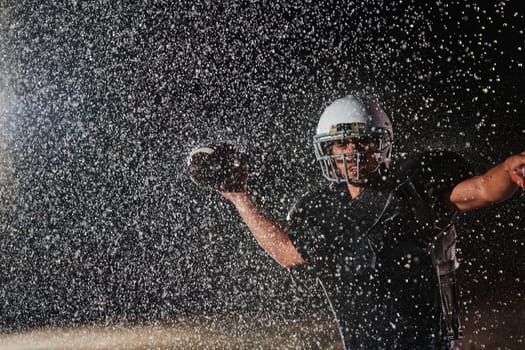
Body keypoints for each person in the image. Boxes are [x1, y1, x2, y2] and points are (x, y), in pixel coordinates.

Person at [188, 95, 525, 349]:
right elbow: (287, 252)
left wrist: (509, 170)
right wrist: (240, 198)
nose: (351, 151)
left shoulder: (415, 188)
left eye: (361, 141)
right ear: (328, 151)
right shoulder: (320, 209)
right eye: (341, 143)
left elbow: (482, 189)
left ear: (382, 143)